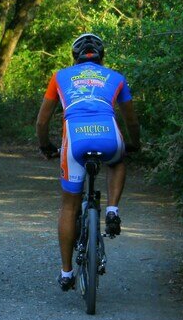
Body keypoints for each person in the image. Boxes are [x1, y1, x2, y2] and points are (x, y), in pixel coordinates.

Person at [35, 33, 141, 291]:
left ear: (75, 58)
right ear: (102, 57)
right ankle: (113, 210)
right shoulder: (116, 77)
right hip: (108, 135)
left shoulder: (60, 76)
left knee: (69, 206)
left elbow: (42, 121)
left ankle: (66, 272)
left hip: (75, 138)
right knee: (117, 160)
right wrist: (135, 143)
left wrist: (46, 146)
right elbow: (131, 121)